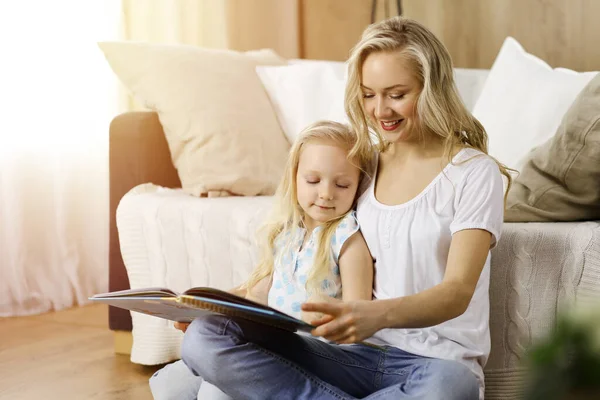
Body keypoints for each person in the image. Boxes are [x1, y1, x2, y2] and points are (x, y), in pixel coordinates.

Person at [178, 16, 512, 400]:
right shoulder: (362, 165)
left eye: (397, 94)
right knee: (206, 336)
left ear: (431, 88)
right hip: (349, 357)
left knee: (452, 389)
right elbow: (301, 247)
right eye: (369, 94)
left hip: (434, 365)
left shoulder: (473, 172)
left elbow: (456, 292)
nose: (379, 110)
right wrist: (213, 305)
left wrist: (375, 315)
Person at [149, 120, 375, 400]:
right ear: (294, 178)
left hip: (307, 355)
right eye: (313, 181)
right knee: (166, 384)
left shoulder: (347, 240)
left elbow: (360, 321)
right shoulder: (288, 235)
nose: (326, 193)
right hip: (265, 343)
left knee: (214, 393)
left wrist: (322, 318)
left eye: (342, 184)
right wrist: (200, 308)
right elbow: (255, 294)